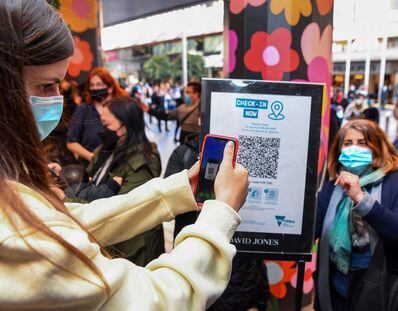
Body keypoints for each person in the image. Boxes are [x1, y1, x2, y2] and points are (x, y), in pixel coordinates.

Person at [0, 1, 249, 309]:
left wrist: (178, 190)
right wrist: (220, 213)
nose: (57, 100)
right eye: (46, 86)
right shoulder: (12, 234)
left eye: (58, 86)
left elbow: (64, 222)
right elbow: (156, 300)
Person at [314, 119, 398, 311]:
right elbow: (310, 230)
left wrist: (361, 198)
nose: (354, 149)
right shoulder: (331, 188)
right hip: (338, 292)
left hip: (383, 294)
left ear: (377, 146)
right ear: (339, 150)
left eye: (362, 143)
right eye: (347, 143)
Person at [165, 134, 269, 311]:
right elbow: (168, 206)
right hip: (194, 261)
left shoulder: (248, 153)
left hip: (241, 270)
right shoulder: (184, 154)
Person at [65, 96, 164, 266]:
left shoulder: (142, 161)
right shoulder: (107, 149)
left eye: (106, 125)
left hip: (134, 250)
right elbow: (86, 180)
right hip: (112, 243)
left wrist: (67, 199)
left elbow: (122, 208)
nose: (102, 130)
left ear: (125, 125)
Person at [67, 67, 127, 164]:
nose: (95, 88)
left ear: (110, 88)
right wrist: (93, 159)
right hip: (90, 167)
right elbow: (71, 142)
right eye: (92, 85)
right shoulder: (83, 109)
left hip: (120, 164)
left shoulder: (122, 107)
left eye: (99, 84)